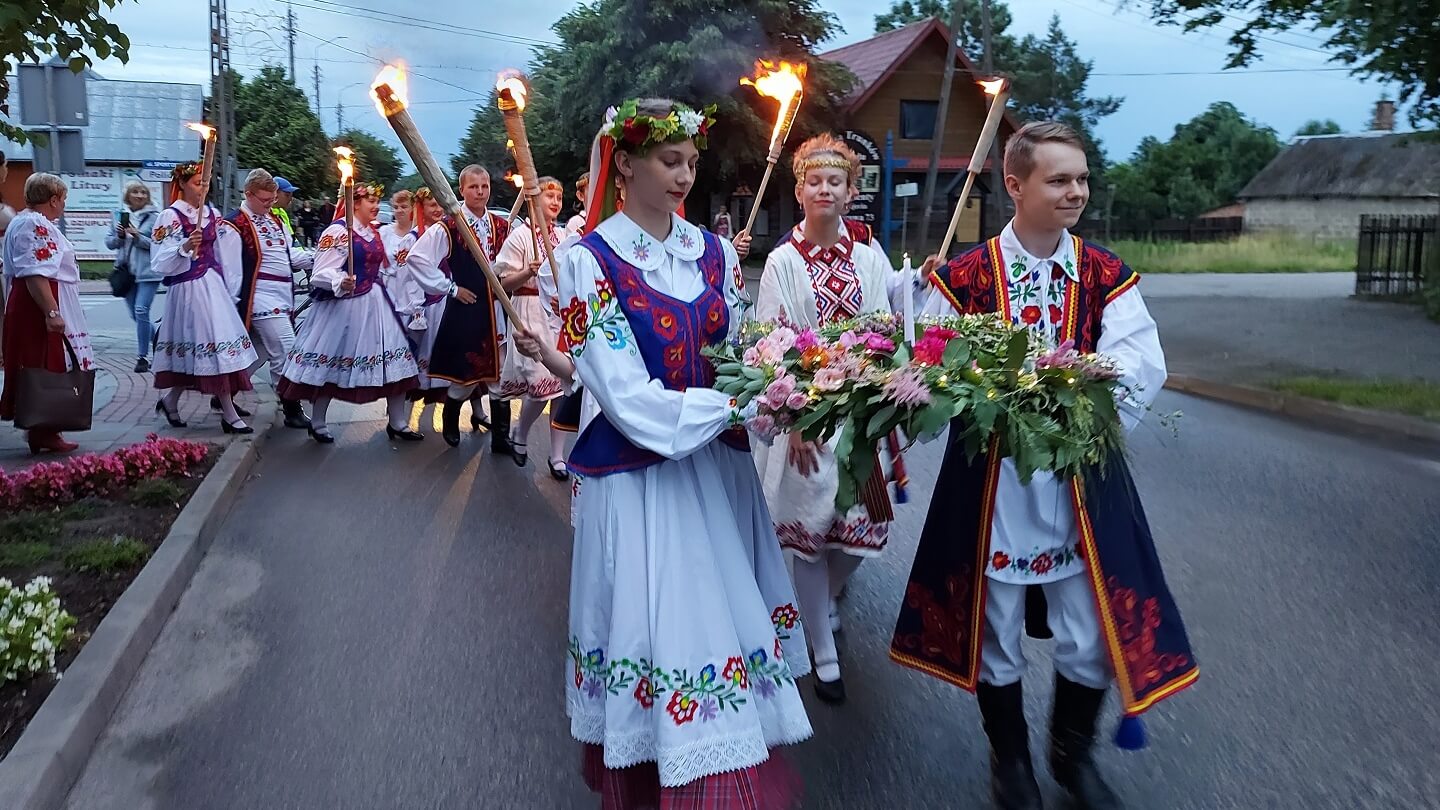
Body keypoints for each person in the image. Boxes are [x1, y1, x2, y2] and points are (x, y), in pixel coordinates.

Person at [891, 122, 1197, 810]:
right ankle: (1011, 762)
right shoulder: (965, 277)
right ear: (1015, 185)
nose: (1076, 191)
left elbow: (1141, 360)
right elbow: (930, 364)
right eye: (1059, 179)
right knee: (994, 626)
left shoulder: (1104, 273)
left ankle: (1071, 756)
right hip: (994, 485)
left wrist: (1083, 390)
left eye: (1082, 178)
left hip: (1080, 478)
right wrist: (945, 373)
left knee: (1089, 631)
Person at [553, 98, 811, 806]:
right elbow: (623, 393)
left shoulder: (715, 252)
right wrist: (734, 406)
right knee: (665, 627)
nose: (685, 176)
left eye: (692, 162)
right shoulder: (586, 262)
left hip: (717, 472)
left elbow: (743, 352)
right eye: (670, 161)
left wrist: (788, 385)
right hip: (641, 478)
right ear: (625, 165)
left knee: (721, 622)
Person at [753, 134, 905, 705]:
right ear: (799, 191)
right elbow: (772, 342)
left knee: (859, 535)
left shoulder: (868, 257)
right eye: (814, 181)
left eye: (835, 181)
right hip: (809, 419)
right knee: (812, 539)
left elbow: (888, 324)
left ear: (850, 191)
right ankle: (822, 653)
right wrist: (794, 418)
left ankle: (818, 603)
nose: (824, 189)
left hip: (860, 417)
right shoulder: (782, 262)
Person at [276, 182, 422, 443]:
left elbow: (386, 265)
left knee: (397, 362)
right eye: (371, 202)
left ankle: (398, 422)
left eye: (377, 202)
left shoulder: (374, 231)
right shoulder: (338, 231)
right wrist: (340, 281)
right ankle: (318, 422)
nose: (376, 206)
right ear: (355, 204)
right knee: (331, 362)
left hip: (377, 305)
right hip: (345, 306)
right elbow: (320, 272)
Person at [402, 164, 514, 450]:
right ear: (462, 190)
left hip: (499, 309)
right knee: (468, 376)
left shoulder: (502, 225)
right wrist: (450, 288)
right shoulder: (451, 226)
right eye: (473, 187)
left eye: (485, 186)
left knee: (501, 373)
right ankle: (451, 415)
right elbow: (417, 258)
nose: (480, 192)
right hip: (470, 309)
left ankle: (501, 439)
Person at [150, 162, 259, 434]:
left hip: (213, 286)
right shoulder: (170, 216)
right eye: (198, 183)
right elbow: (159, 260)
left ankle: (171, 401)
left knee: (211, 348)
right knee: (210, 347)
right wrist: (184, 246)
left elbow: (224, 252)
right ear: (182, 184)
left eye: (206, 183)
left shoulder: (212, 214)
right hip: (188, 289)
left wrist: (231, 288)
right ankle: (229, 414)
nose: (203, 188)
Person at [1, 173, 96, 454]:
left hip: (33, 300)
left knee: (40, 365)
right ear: (53, 200)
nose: (64, 204)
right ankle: (44, 429)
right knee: (46, 366)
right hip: (38, 303)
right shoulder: (34, 224)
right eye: (63, 199)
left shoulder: (26, 220)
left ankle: (41, 428)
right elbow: (35, 272)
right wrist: (51, 311)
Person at [225, 169, 315, 430]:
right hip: (258, 295)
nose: (269, 204)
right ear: (248, 194)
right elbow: (230, 269)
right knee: (286, 347)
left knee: (259, 351)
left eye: (272, 199)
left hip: (282, 293)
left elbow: (290, 255)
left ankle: (225, 394)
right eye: (264, 200)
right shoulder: (234, 223)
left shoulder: (275, 219)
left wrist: (320, 256)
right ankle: (291, 407)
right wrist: (230, 305)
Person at [494, 176, 568, 476]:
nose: (555, 202)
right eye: (549, 196)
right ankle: (521, 432)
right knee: (541, 385)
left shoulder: (562, 236)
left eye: (559, 197)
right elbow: (503, 283)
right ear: (534, 201)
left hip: (557, 316)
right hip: (528, 312)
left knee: (562, 386)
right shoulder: (520, 237)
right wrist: (527, 272)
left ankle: (557, 455)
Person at [105, 181, 162, 373]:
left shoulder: (156, 217)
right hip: (127, 273)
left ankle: (142, 357)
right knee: (136, 315)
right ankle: (160, 340)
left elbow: (158, 244)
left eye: (143, 192)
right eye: (135, 192)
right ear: (127, 196)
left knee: (141, 310)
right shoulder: (118, 215)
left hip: (148, 273)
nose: (139, 195)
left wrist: (138, 236)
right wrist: (120, 236)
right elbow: (109, 243)